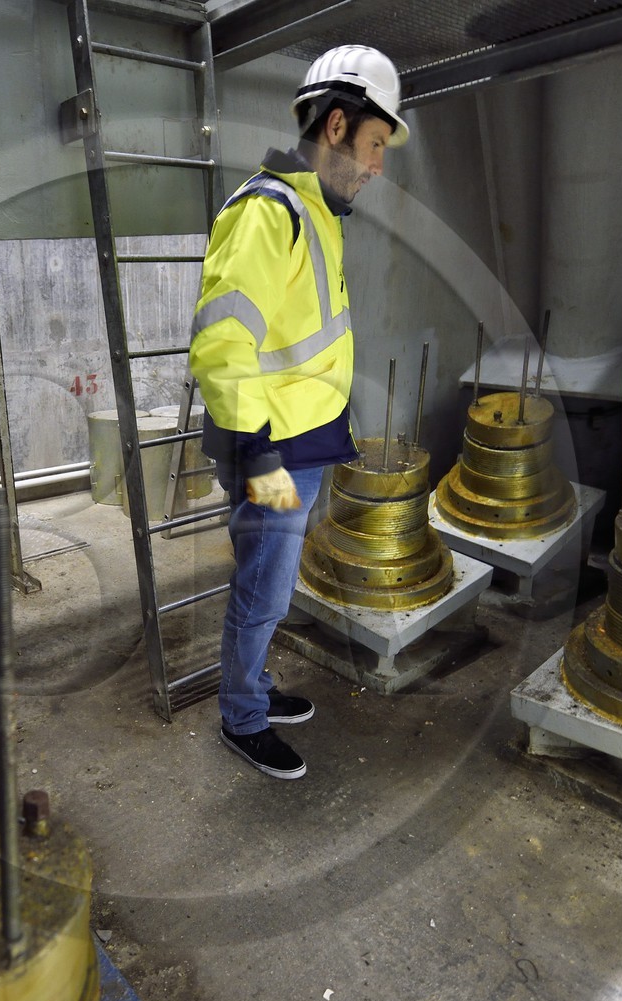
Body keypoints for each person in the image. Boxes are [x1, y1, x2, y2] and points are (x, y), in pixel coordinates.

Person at [189, 45, 409, 779]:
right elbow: (222, 341)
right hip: (271, 450)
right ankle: (242, 718)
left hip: (300, 443)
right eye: (375, 144)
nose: (377, 165)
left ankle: (251, 688)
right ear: (337, 126)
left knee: (273, 582)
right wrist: (257, 453)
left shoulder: (315, 213)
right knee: (265, 587)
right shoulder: (269, 211)